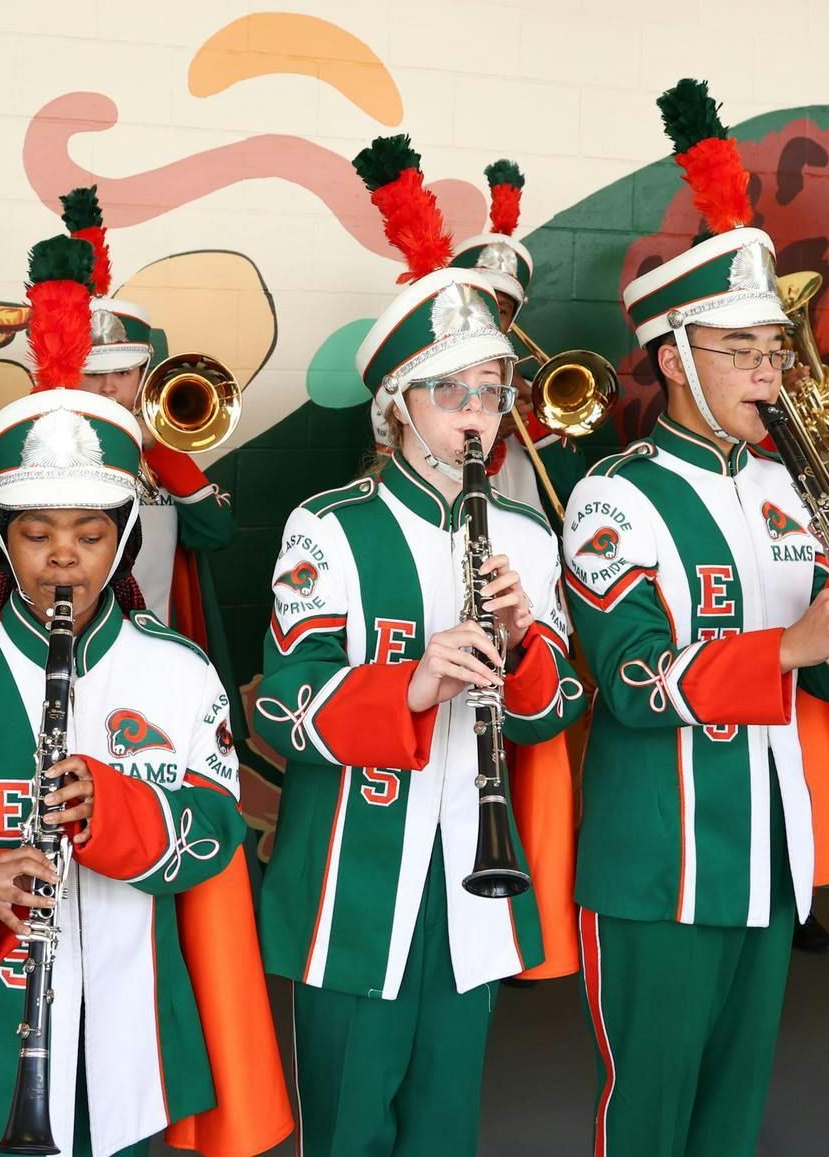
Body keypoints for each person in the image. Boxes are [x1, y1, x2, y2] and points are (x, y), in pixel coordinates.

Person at [0, 233, 290, 1157]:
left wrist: (117, 810)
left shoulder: (178, 670)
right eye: (37, 533)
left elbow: (214, 837)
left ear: (124, 535)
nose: (62, 556)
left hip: (134, 1025)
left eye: (90, 534)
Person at [560, 81, 829, 1157]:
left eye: (773, 353)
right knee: (651, 1115)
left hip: (768, 847)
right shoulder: (613, 495)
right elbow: (631, 683)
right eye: (743, 353)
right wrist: (791, 642)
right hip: (660, 860)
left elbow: (827, 685)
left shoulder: (789, 488)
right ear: (670, 359)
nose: (768, 374)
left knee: (731, 1112)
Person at [253, 135, 584, 1156]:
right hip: (354, 883)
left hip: (472, 884)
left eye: (491, 393)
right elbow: (277, 704)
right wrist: (409, 684)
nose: (478, 417)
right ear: (396, 405)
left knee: (444, 1127)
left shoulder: (527, 535)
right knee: (349, 1129)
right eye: (453, 395)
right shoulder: (328, 525)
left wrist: (527, 641)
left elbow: (555, 709)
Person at [58, 185, 234, 636]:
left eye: (124, 373)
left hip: (159, 638)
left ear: (145, 374)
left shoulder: (158, 449)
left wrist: (157, 445)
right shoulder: (44, 445)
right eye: (92, 372)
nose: (109, 387)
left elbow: (215, 532)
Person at [448, 159, 588, 521]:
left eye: (504, 309)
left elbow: (573, 497)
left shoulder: (527, 391)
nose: (493, 320)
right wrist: (490, 435)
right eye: (482, 304)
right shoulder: (422, 383)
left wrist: (540, 423)